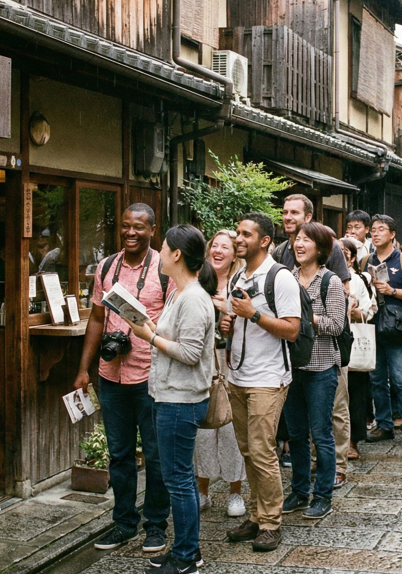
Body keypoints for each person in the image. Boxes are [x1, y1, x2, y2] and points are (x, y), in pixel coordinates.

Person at [74, 203, 173, 554]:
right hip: (111, 374)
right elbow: (97, 320)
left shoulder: (165, 269)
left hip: (151, 375)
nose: (131, 233)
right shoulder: (106, 266)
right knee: (119, 455)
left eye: (139, 228)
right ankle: (124, 522)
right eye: (125, 226)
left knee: (157, 456)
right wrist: (84, 369)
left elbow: (176, 323)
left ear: (152, 230)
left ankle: (156, 525)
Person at [122, 225, 217, 574]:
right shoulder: (180, 292)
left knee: (178, 479)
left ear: (177, 254)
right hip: (171, 395)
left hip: (181, 399)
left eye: (163, 248)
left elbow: (190, 353)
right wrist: (147, 324)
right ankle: (185, 549)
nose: (159, 253)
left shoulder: (191, 296)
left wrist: (148, 336)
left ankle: (187, 555)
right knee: (180, 478)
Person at [220, 213, 300, 552]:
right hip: (237, 374)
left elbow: (292, 329)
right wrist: (229, 322)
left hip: (268, 376)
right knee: (249, 450)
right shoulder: (238, 275)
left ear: (264, 240)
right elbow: (236, 317)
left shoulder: (279, 278)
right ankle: (255, 515)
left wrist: (253, 314)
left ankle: (271, 522)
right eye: (237, 233)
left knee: (263, 450)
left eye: (245, 234)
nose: (239, 239)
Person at [281, 222, 345, 521]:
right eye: (297, 239)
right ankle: (299, 490)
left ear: (320, 248)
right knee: (295, 434)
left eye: (306, 240)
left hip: (321, 367)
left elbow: (336, 325)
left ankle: (323, 496)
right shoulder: (286, 278)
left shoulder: (329, 281)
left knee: (320, 434)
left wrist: (305, 319)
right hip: (292, 366)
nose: (299, 244)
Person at [194, 230, 247, 518]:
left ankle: (235, 492)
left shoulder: (240, 283)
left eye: (225, 247)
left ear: (234, 254)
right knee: (203, 425)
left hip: (231, 361)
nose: (218, 251)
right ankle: (202, 490)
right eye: (214, 245)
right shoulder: (199, 281)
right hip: (202, 361)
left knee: (230, 425)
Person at [364, 215, 402, 448]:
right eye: (374, 230)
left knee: (401, 379)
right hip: (372, 326)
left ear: (392, 234)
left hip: (397, 327)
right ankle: (384, 425)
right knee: (377, 379)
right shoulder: (366, 260)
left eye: (381, 229)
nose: (376, 233)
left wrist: (392, 291)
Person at [340, 238, 376, 461]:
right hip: (329, 344)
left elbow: (371, 309)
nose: (340, 255)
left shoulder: (358, 279)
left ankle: (353, 440)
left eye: (344, 252)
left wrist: (355, 312)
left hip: (354, 340)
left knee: (356, 393)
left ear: (352, 257)